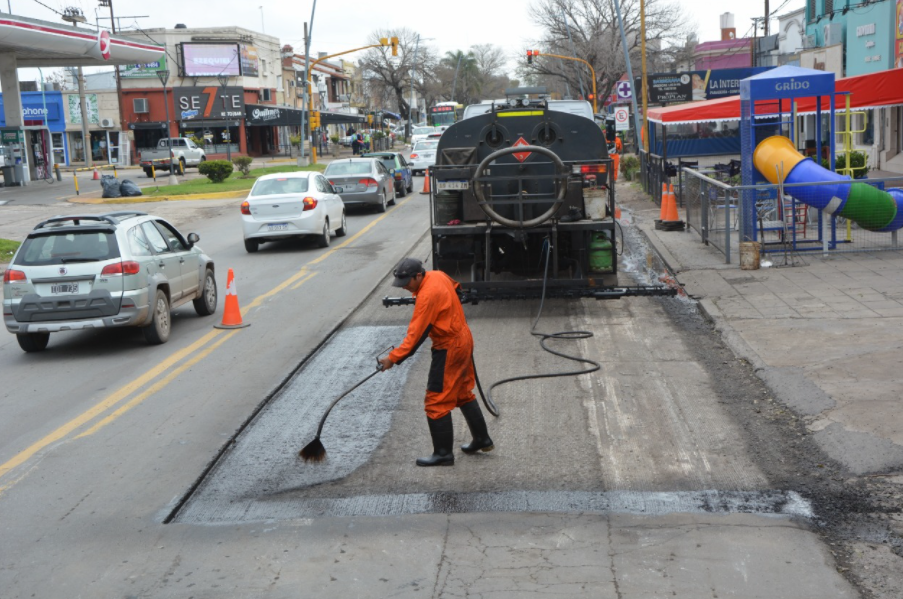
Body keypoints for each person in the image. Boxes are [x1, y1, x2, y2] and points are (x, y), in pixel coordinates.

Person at [378, 257, 494, 467]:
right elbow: (457, 289)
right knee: (461, 393)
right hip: (463, 338)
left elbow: (415, 338)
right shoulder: (438, 275)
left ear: (418, 275)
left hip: (449, 347)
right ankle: (482, 440)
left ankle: (443, 454)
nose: (404, 288)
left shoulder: (427, 297)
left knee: (436, 401)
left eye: (407, 283)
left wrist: (392, 359)